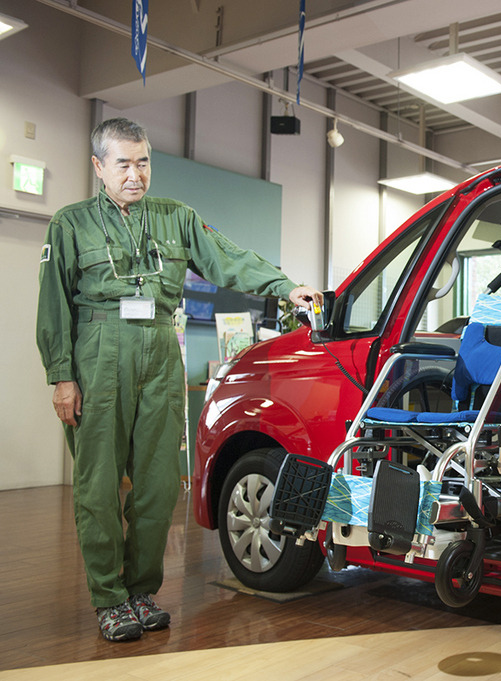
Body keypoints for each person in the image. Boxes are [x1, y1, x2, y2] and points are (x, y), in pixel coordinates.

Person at [35, 118, 323, 642]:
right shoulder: (69, 224)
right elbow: (53, 304)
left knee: (160, 482)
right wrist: (62, 377)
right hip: (98, 352)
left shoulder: (176, 218)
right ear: (99, 167)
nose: (135, 174)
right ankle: (108, 597)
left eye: (143, 162)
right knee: (97, 485)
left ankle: (141, 591)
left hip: (161, 352)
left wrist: (283, 286)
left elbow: (228, 259)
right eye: (123, 163)